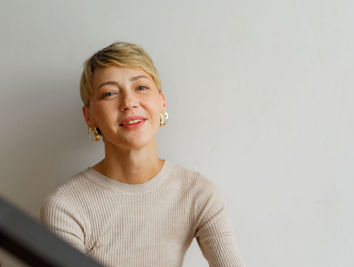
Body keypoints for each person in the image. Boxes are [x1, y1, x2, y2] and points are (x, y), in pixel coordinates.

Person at [40, 42, 244, 267]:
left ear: (162, 101)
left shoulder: (198, 193)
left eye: (141, 87)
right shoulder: (66, 207)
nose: (128, 103)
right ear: (89, 117)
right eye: (110, 93)